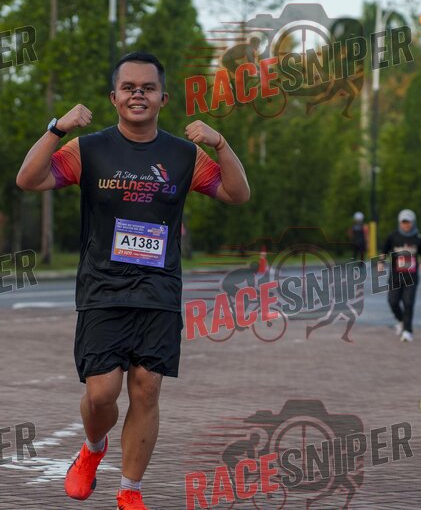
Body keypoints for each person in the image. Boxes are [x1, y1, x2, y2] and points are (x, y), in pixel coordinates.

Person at [16, 51, 250, 509]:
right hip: (102, 287)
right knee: (101, 393)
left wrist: (221, 144)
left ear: (163, 98)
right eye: (128, 88)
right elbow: (29, 178)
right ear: (114, 98)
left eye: (147, 88)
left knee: (146, 388)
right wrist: (57, 128)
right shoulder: (89, 149)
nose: (138, 94)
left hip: (159, 289)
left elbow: (237, 193)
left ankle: (129, 490)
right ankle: (93, 447)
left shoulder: (184, 155)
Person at [378, 209, 421, 342]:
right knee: (393, 301)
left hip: (411, 277)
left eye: (408, 222)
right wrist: (380, 262)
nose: (406, 225)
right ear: (399, 223)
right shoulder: (393, 236)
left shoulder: (419, 238)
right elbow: (384, 251)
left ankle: (407, 331)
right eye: (404, 222)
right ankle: (401, 321)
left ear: (413, 222)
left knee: (408, 302)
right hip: (395, 276)